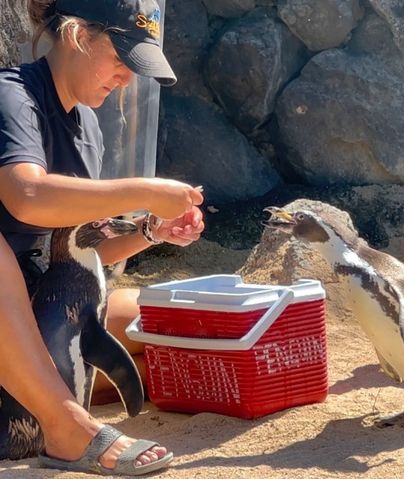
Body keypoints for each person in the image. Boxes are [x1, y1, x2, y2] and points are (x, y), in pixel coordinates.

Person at [0, 0, 204, 475]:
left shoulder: (87, 124)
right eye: (120, 60)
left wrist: (153, 231)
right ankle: (66, 426)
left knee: (170, 326)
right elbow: (26, 196)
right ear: (76, 36)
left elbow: (78, 251)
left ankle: (42, 400)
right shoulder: (13, 97)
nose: (126, 80)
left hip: (40, 303)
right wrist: (146, 191)